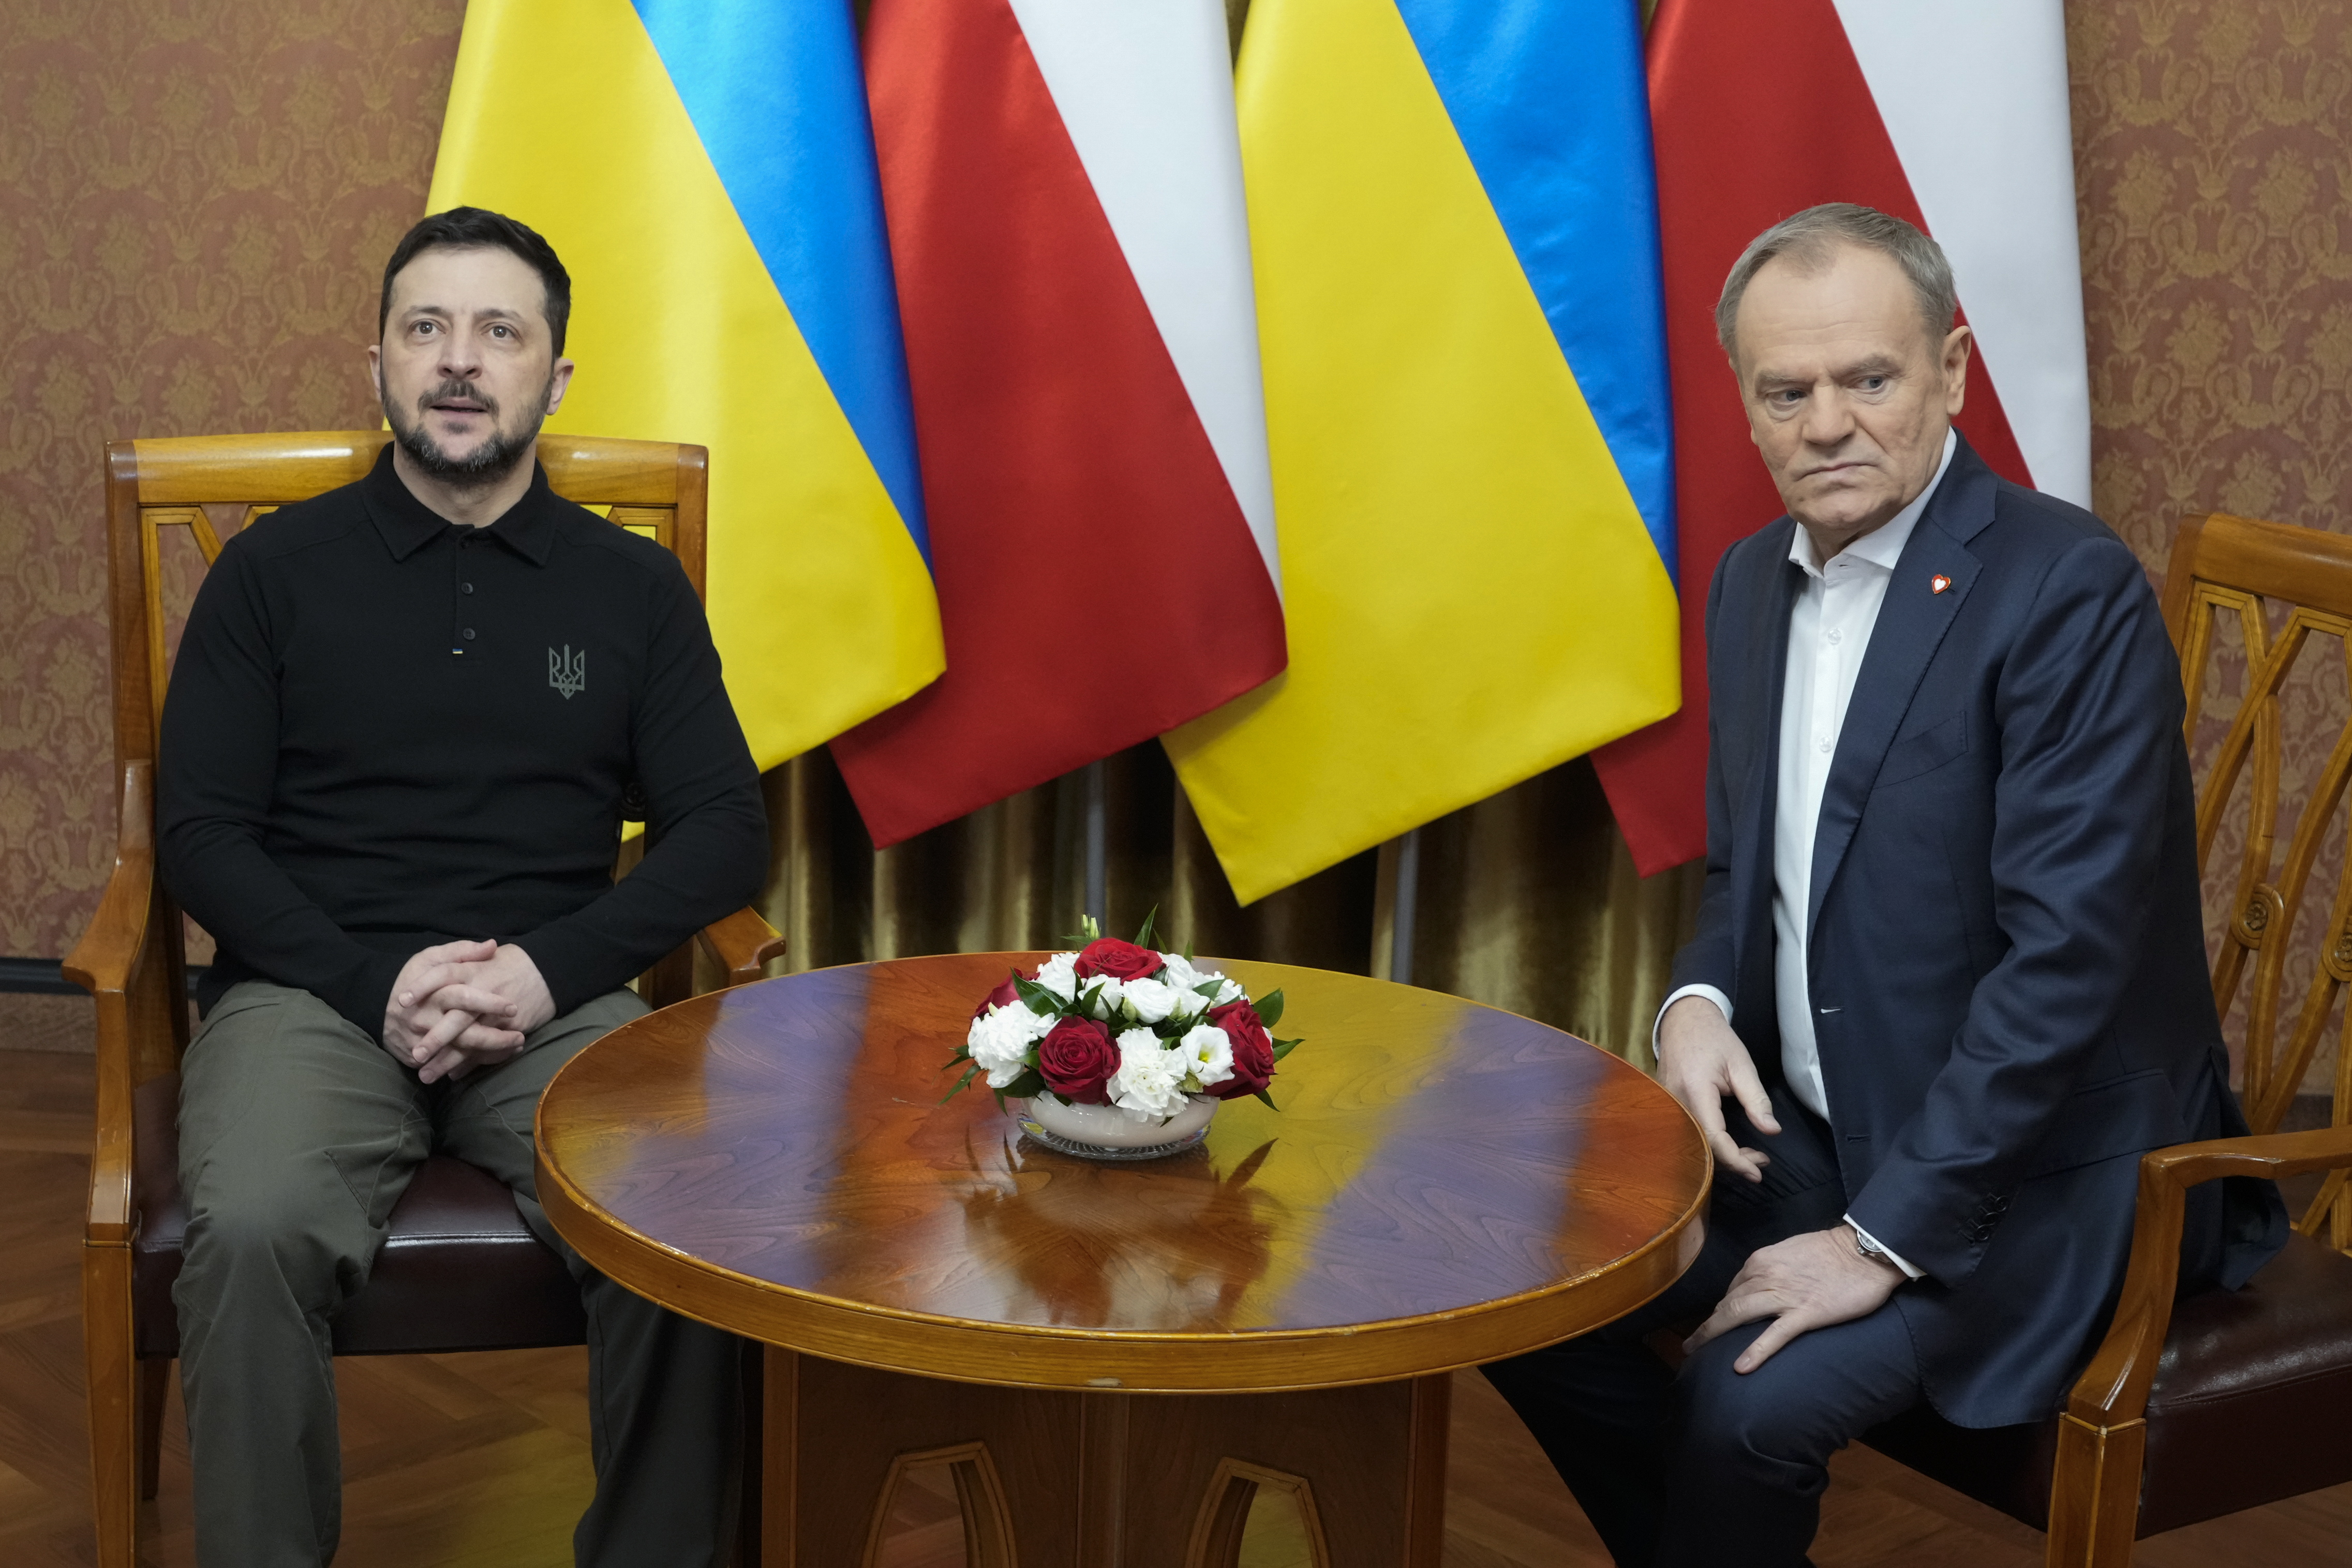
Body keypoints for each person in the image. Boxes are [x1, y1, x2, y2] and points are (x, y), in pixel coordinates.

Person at [1482, 203, 2285, 1567]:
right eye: (1784, 391)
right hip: (1811, 1129)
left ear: (1952, 372)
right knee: (1518, 1294)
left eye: (1868, 379)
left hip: (2035, 1179)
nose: (1825, 424)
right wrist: (1690, 1000)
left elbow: (2067, 970)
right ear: (1742, 403)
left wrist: (1882, 1241)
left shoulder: (2065, 594)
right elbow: (1750, 873)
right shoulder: (1747, 584)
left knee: (1746, 1412)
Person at [157, 206, 768, 1567]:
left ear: (553, 379)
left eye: (500, 333)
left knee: (680, 1220)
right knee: (252, 1227)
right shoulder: (269, 575)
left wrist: (543, 972)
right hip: (313, 993)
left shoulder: (633, 588)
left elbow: (725, 829)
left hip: (547, 991)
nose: (457, 360)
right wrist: (376, 986)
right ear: (375, 359)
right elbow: (201, 832)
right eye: (425, 327)